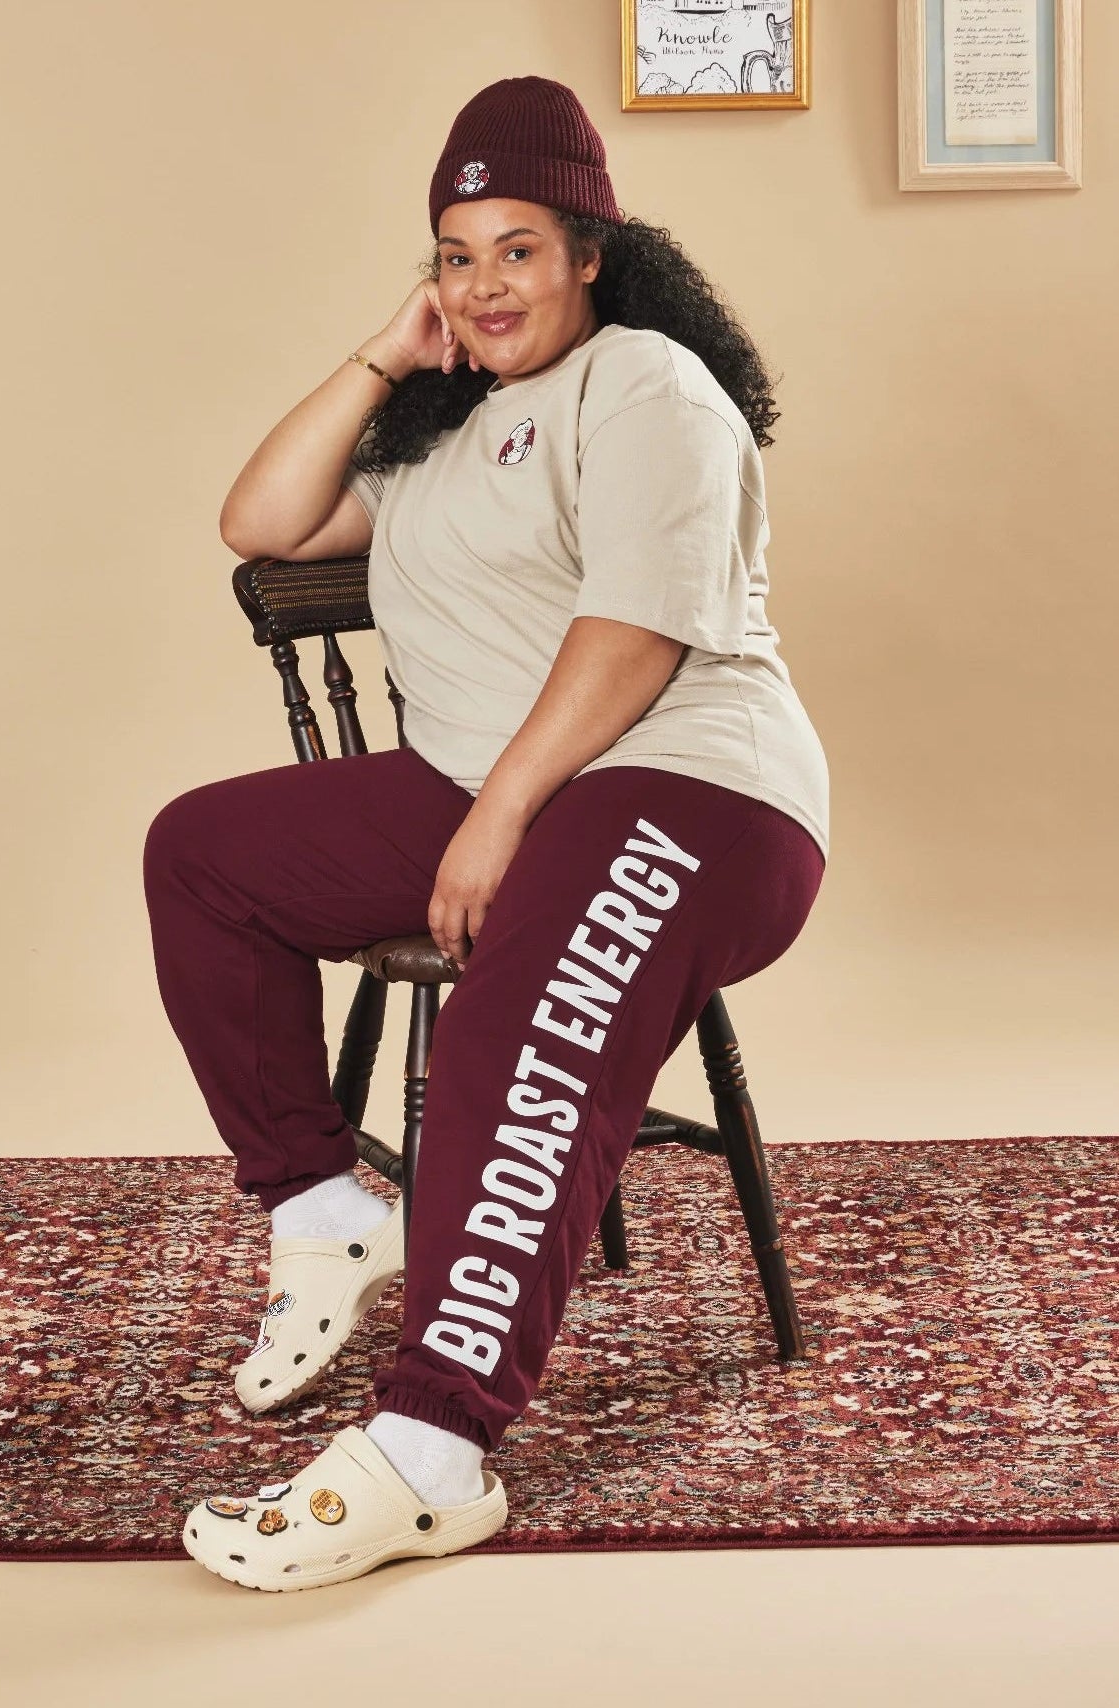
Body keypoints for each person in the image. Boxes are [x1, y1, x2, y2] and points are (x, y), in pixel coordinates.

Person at [143, 74, 829, 1592]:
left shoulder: (645, 385)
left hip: (689, 790)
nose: (485, 284)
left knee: (515, 1026)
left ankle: (432, 1452)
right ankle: (327, 1209)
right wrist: (385, 355)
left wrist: (502, 820)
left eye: (518, 249)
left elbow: (635, 631)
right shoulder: (442, 429)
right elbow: (261, 522)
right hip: (487, 783)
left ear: (591, 252)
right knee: (200, 854)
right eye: (455, 257)